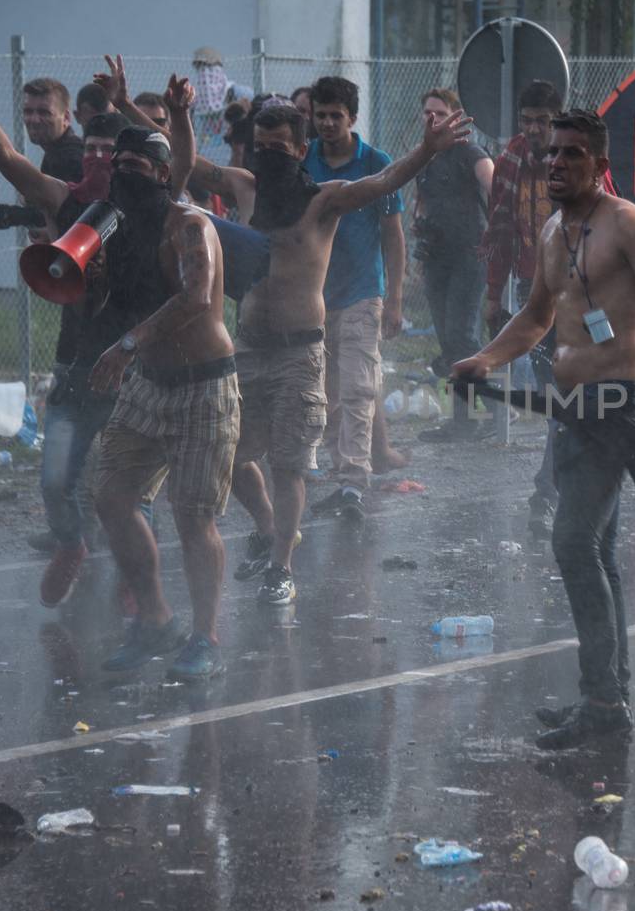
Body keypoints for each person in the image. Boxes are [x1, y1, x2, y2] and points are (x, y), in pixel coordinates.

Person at [451, 109, 635, 750]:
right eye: (553, 154)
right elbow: (537, 318)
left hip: (618, 405)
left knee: (572, 543)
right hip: (567, 409)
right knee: (596, 550)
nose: (557, 164)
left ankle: (601, 701)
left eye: (573, 155)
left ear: (600, 165)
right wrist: (486, 358)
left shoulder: (627, 224)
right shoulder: (550, 231)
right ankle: (609, 695)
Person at [186, 100, 471, 603]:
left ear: (301, 149)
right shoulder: (243, 188)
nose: (269, 155)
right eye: (262, 146)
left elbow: (382, 183)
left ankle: (281, 568)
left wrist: (427, 149)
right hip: (250, 347)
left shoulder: (324, 200)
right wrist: (160, 112)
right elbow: (183, 163)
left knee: (289, 465)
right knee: (227, 452)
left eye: (280, 147)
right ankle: (273, 528)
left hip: (300, 353)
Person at [0, 56, 179, 605]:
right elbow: (6, 159)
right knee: (56, 482)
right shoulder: (68, 202)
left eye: (117, 155)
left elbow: (176, 154)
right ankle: (71, 544)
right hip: (77, 366)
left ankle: (134, 577)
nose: (106, 161)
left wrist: (130, 106)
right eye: (97, 152)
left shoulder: (164, 213)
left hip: (135, 370)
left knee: (129, 494)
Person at [78, 122, 240, 681]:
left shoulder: (190, 225)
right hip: (150, 381)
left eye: (136, 166)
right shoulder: (119, 228)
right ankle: (155, 619)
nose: (122, 173)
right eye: (115, 164)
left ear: (164, 175)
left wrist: (125, 346)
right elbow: (110, 303)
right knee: (112, 497)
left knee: (193, 519)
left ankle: (205, 636)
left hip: (204, 384)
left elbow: (194, 298)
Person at [298, 76, 407, 522]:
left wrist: (395, 298)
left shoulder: (376, 163)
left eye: (335, 116)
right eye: (320, 115)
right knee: (324, 391)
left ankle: (352, 482)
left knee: (359, 386)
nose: (326, 123)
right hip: (315, 295)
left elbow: (393, 235)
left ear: (352, 118)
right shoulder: (304, 162)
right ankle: (323, 463)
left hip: (364, 292)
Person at [481, 79, 569, 528]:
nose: (534, 129)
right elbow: (499, 231)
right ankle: (552, 488)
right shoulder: (511, 160)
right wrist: (494, 296)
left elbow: (611, 217)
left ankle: (552, 489)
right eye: (527, 121)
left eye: (543, 121)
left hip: (579, 293)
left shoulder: (579, 156)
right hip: (534, 296)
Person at [411, 88, 495, 442]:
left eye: (440, 113)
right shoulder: (426, 156)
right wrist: (420, 227)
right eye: (428, 112)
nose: (433, 119)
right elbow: (421, 201)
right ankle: (462, 420)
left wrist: (499, 233)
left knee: (463, 335)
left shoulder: (469, 151)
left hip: (469, 256)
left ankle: (485, 414)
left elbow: (494, 183)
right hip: (436, 258)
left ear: (455, 118)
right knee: (448, 340)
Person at [21, 77, 84, 183]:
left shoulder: (70, 160)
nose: (34, 120)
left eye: (44, 112)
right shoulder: (54, 152)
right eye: (28, 112)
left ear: (66, 118)